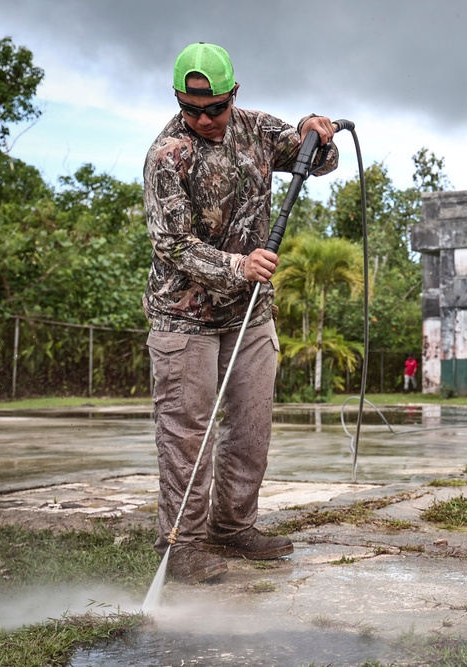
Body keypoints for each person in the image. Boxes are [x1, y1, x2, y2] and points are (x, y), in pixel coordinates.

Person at [142, 42, 339, 584]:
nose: (203, 119)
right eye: (191, 109)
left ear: (233, 95)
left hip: (250, 311)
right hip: (184, 316)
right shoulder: (166, 156)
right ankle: (180, 545)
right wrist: (237, 265)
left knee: (251, 425)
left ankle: (235, 527)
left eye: (214, 108)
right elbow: (173, 244)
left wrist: (311, 129)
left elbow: (320, 160)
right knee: (187, 432)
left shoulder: (255, 129)